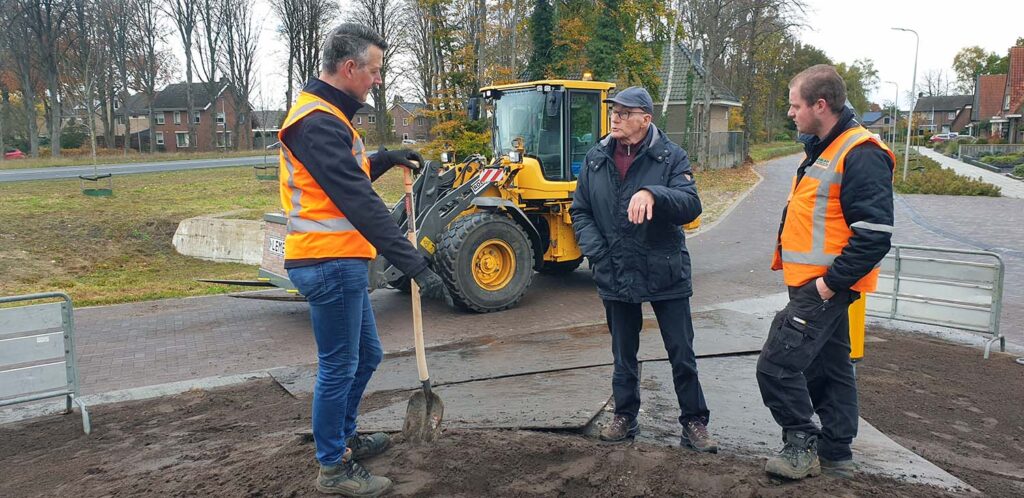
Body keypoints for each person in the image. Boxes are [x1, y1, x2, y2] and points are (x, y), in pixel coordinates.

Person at [277, 23, 447, 497]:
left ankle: (343, 437)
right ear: (349, 68)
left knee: (365, 355)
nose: (377, 80)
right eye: (373, 71)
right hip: (327, 261)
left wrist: (386, 157)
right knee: (339, 364)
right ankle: (332, 467)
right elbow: (354, 196)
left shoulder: (329, 118)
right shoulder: (316, 121)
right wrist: (411, 261)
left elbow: (344, 175)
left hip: (340, 259)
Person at [757, 64, 895, 480]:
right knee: (830, 368)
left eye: (795, 105)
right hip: (815, 285)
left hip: (823, 288)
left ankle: (800, 445)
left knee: (776, 365)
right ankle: (836, 453)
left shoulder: (860, 153)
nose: (790, 113)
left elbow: (873, 236)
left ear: (821, 105)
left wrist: (826, 285)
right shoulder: (823, 147)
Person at [570, 86, 718, 453]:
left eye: (623, 112)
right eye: (613, 112)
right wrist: (598, 255)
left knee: (681, 353)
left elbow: (690, 205)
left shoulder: (670, 157)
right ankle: (624, 415)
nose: (615, 118)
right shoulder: (595, 159)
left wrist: (654, 192)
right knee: (623, 354)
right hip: (615, 269)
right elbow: (581, 210)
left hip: (664, 270)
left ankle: (694, 422)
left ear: (646, 119)